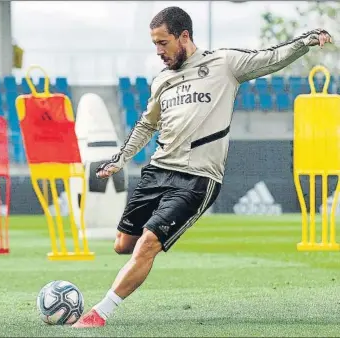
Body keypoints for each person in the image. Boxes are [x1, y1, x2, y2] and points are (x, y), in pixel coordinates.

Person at [72, 6, 333, 328]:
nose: (158, 51)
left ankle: (100, 313)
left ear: (184, 36)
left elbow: (270, 58)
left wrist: (305, 41)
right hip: (156, 171)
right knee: (123, 244)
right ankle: (140, 259)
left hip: (197, 178)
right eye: (154, 44)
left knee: (148, 242)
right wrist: (120, 159)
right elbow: (146, 125)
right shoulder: (162, 81)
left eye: (163, 43)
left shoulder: (223, 64)